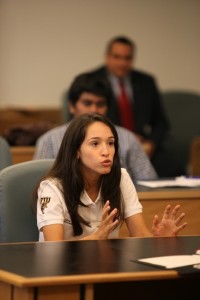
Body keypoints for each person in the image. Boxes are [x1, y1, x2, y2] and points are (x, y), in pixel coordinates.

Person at [31, 113, 187, 241]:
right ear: (75, 151)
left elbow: (139, 234)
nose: (106, 151)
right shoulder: (52, 188)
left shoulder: (121, 178)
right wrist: (96, 238)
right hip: (63, 274)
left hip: (106, 268)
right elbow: (54, 249)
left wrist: (160, 240)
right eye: (95, 144)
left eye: (111, 143)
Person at [34, 73, 158, 182]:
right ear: (72, 106)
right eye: (87, 103)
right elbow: (41, 186)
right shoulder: (49, 141)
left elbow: (148, 182)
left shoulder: (127, 138)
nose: (94, 110)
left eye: (100, 104)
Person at [86, 36, 169, 162]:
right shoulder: (91, 81)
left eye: (127, 58)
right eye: (117, 57)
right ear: (107, 57)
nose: (122, 63)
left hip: (143, 147)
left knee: (172, 165)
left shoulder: (146, 82)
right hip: (106, 146)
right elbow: (86, 121)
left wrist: (151, 144)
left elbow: (161, 123)